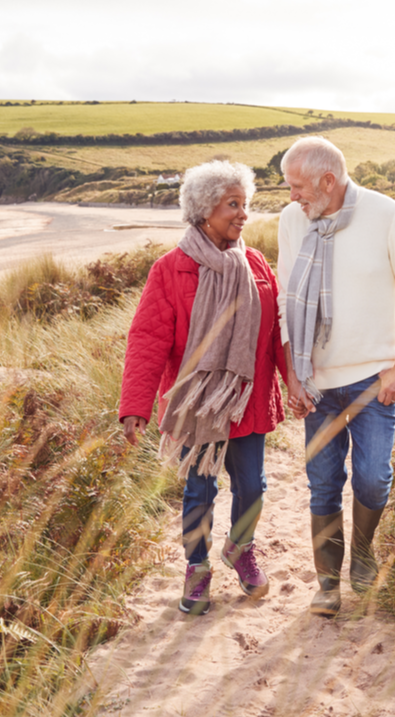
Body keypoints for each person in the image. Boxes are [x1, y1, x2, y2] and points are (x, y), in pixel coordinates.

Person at [119, 160, 290, 616]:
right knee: (200, 493)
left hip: (247, 402)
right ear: (203, 209)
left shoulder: (255, 264)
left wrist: (294, 384)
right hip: (196, 406)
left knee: (252, 486)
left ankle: (240, 549)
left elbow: (274, 332)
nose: (243, 215)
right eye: (233, 205)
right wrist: (134, 404)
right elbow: (149, 338)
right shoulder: (170, 270)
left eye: (245, 204)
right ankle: (197, 569)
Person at [277, 136, 395, 617]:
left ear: (329, 181)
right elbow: (286, 303)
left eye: (298, 186)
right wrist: (292, 375)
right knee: (323, 482)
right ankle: (327, 582)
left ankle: (363, 555)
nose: (292, 197)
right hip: (316, 382)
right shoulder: (292, 222)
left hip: (374, 379)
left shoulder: (385, 213)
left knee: (371, 480)